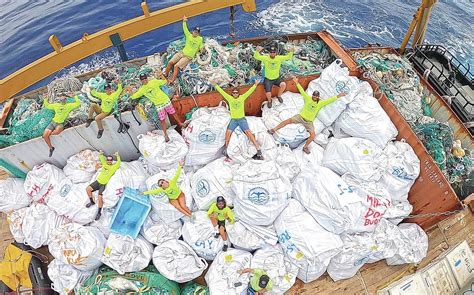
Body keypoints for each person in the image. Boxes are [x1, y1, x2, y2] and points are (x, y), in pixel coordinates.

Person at [268, 77, 346, 154]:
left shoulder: (320, 103)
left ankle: (305, 147)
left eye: (316, 96)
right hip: (300, 117)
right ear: (312, 95)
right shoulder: (308, 98)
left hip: (308, 122)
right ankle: (273, 130)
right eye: (314, 95)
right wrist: (296, 82)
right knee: (286, 121)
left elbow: (330, 100)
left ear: (318, 97)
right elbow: (301, 91)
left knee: (313, 135)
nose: (314, 97)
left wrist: (339, 95)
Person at [212, 79, 263, 160]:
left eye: (236, 93)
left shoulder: (242, 97)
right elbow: (222, 92)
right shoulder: (229, 98)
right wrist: (215, 85)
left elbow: (250, 92)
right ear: (232, 94)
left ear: (238, 93)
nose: (235, 94)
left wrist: (255, 84)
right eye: (234, 93)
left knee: (248, 132)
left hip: (241, 119)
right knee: (228, 133)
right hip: (234, 120)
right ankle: (227, 149)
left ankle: (258, 148)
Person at [130, 72, 183, 142]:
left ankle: (180, 123)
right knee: (162, 120)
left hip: (165, 100)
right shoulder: (142, 89)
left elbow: (164, 82)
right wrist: (130, 91)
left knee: (173, 113)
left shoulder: (154, 82)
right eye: (142, 79)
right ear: (141, 80)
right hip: (158, 105)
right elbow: (134, 96)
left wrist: (162, 75)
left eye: (145, 78)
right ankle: (165, 134)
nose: (144, 80)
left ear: (147, 78)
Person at [164, 15, 204, 84]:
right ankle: (165, 74)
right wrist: (184, 21)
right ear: (192, 31)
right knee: (170, 62)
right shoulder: (188, 35)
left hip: (188, 57)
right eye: (194, 31)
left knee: (176, 66)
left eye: (197, 32)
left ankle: (171, 81)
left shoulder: (200, 39)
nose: (195, 33)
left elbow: (201, 47)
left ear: (198, 33)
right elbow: (185, 28)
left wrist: (202, 51)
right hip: (182, 53)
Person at [86, 151, 121, 220]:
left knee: (100, 198)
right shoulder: (104, 163)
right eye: (108, 159)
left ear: (112, 161)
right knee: (88, 189)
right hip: (97, 182)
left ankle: (99, 212)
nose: (109, 161)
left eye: (111, 160)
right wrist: (101, 153)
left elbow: (118, 163)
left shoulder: (113, 167)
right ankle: (92, 201)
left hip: (103, 185)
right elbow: (101, 157)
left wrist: (117, 156)